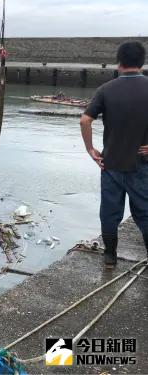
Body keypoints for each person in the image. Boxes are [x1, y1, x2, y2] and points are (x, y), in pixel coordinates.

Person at [80, 41, 148, 269]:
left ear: (119, 63)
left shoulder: (106, 89)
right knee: (145, 214)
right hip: (142, 164)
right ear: (142, 62)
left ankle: (110, 258)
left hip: (110, 164)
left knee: (109, 214)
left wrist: (91, 150)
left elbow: (85, 120)